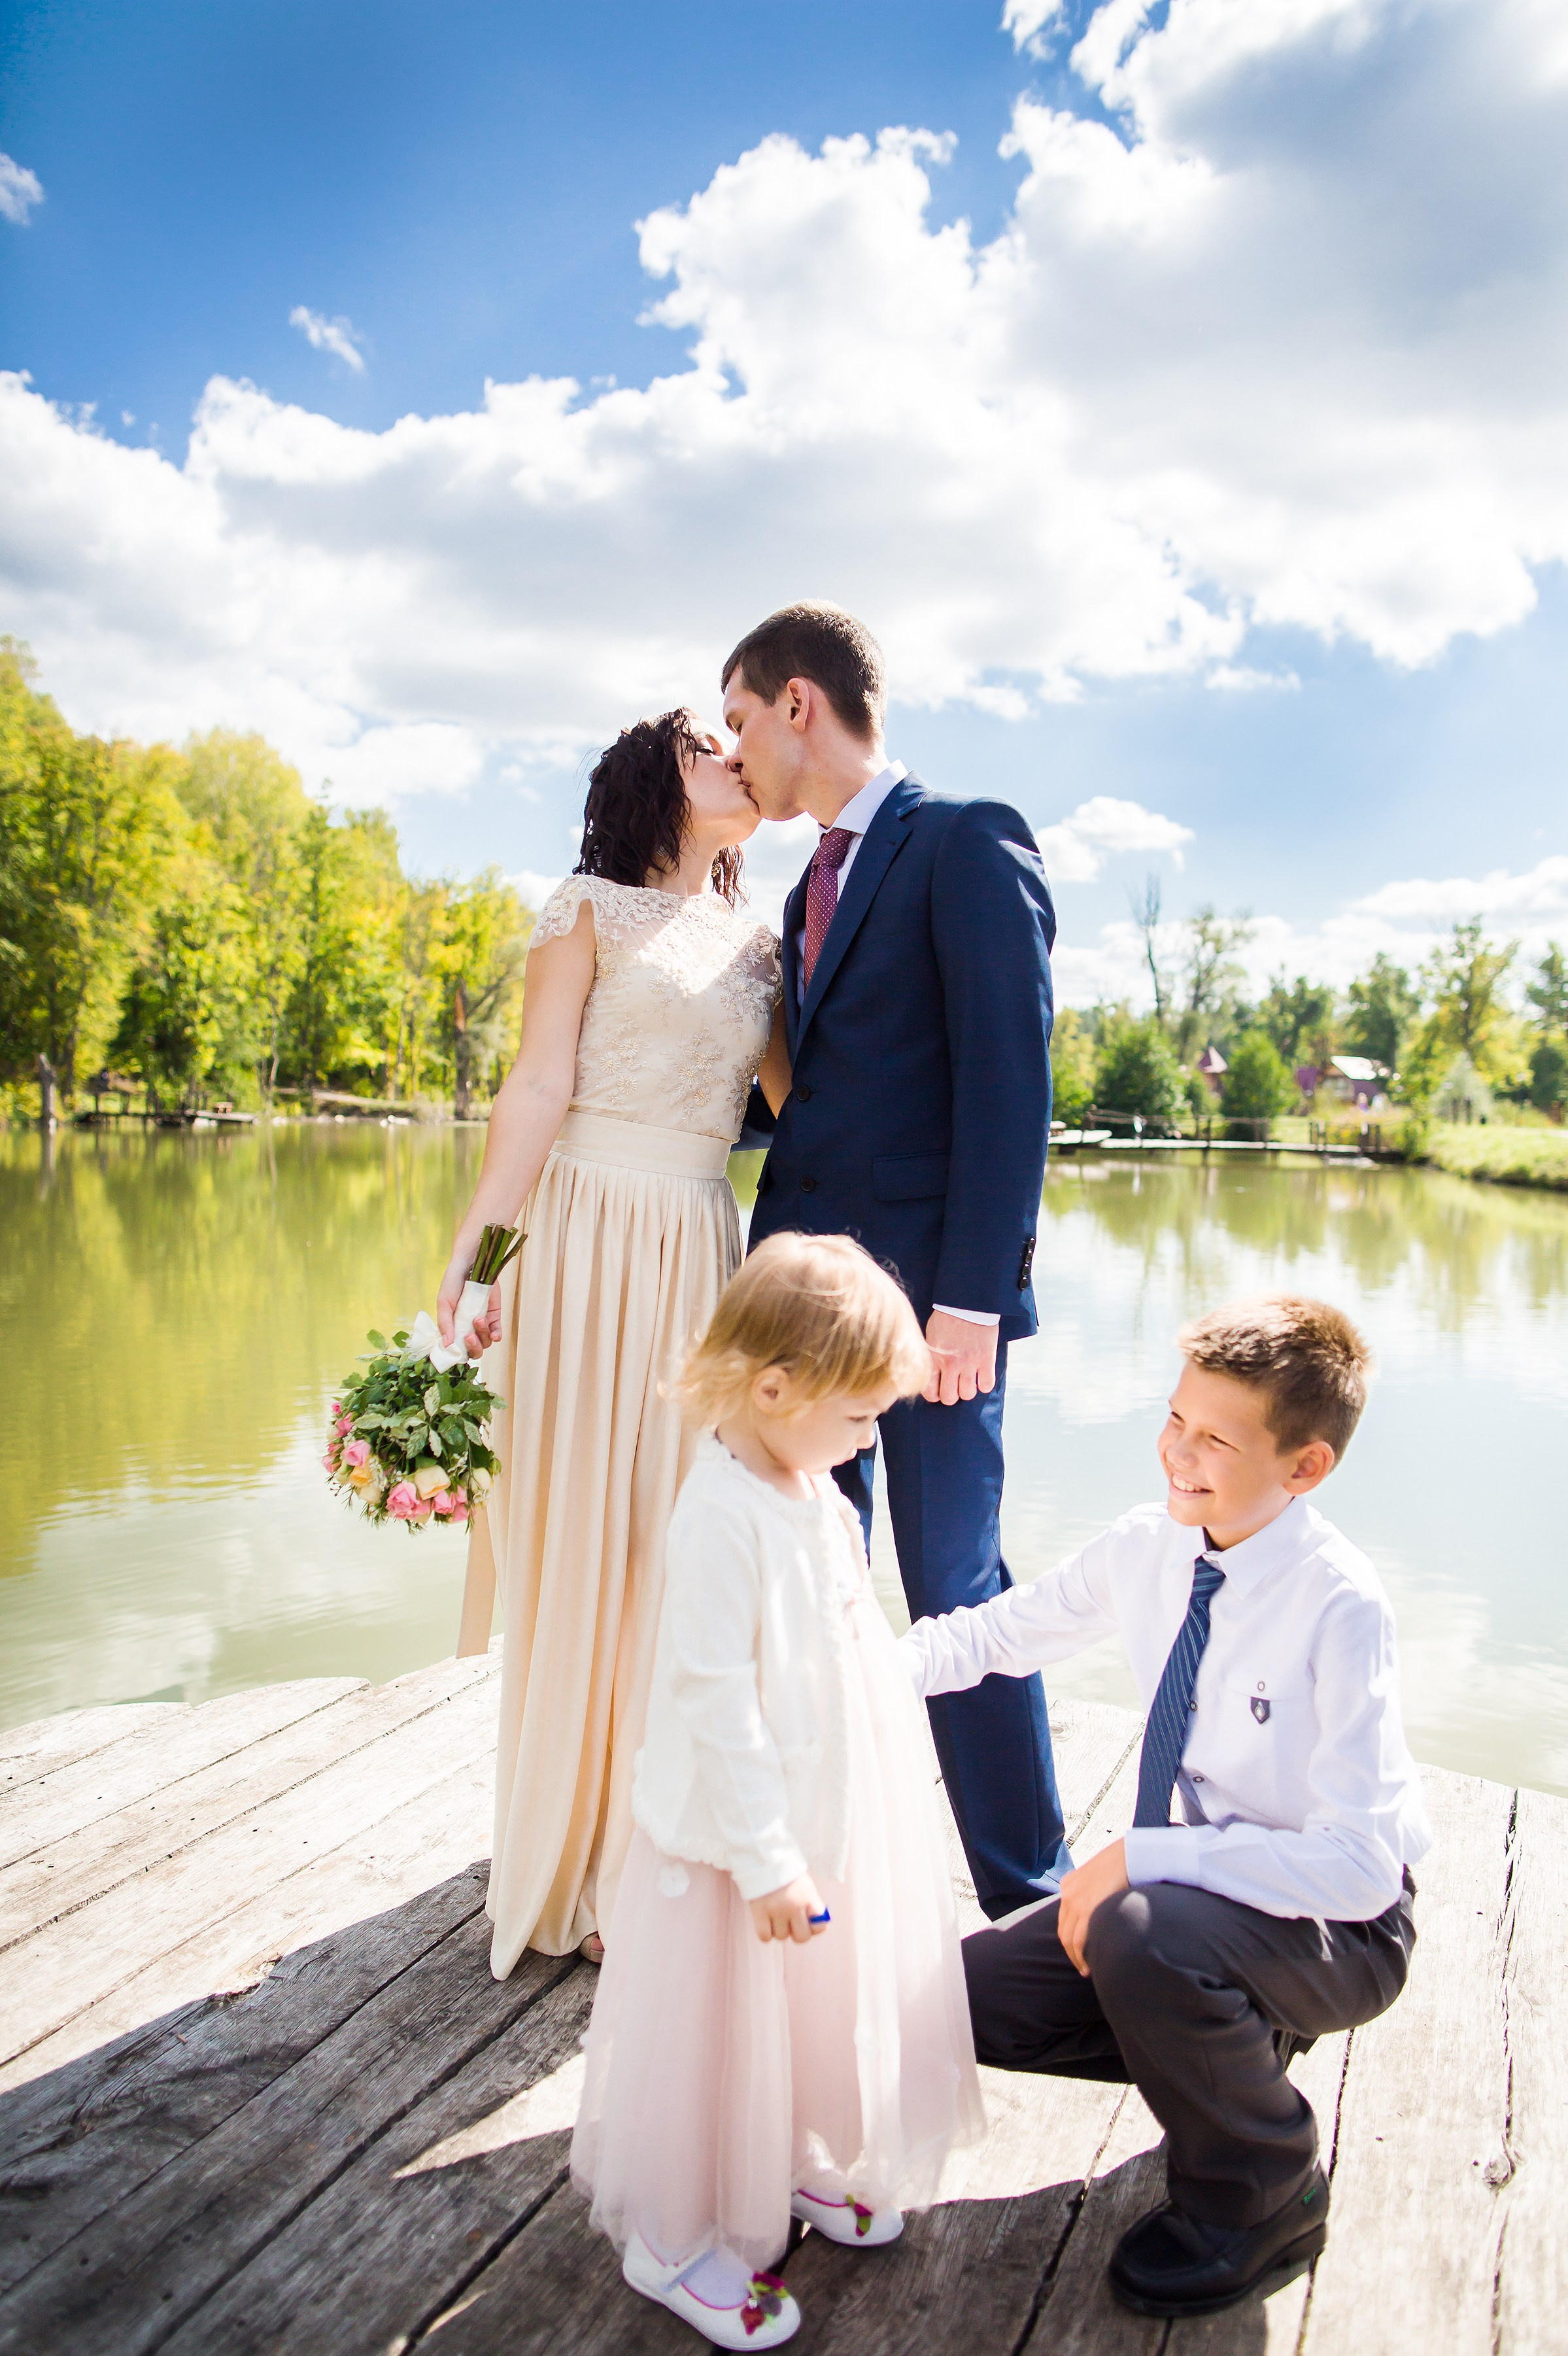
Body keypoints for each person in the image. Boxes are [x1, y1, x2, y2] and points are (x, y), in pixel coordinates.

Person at [902, 1294, 1433, 2320]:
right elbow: (990, 1637)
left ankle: (1264, 2190)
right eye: (1175, 1417)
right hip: (1202, 1909)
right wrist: (849, 1676)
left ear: (1304, 1466)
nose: (1176, 1450)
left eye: (1215, 1437)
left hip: (1340, 1927)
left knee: (1140, 1929)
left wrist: (1146, 1858)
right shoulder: (1149, 1543)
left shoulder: (1340, 1602)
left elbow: (1361, 1869)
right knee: (945, 2003)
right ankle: (1230, 2038)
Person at [572, 1234, 984, 2350]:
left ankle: (786, 2156)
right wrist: (765, 1858)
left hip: (812, 1806)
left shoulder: (812, 1481)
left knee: (801, 2014)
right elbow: (714, 1699)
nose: (871, 1438)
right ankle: (672, 2230)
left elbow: (846, 1634)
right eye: (858, 1417)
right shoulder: (720, 1514)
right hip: (730, 1844)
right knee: (714, 2031)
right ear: (772, 1387)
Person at [723, 602, 1072, 1919]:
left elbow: (1006, 1084)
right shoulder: (799, 885)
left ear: (797, 702)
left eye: (743, 718)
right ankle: (815, 1867)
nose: (737, 747)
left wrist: (971, 1299)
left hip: (931, 1315)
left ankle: (1025, 1902)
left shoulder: (962, 839)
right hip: (797, 1314)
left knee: (953, 1586)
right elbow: (814, 1096)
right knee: (801, 1574)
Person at [437, 710, 789, 1972]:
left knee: (674, 1544)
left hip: (701, 1247)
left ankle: (653, 1853)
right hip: (580, 1235)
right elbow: (535, 1089)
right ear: (658, 779)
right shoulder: (585, 908)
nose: (738, 762)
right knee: (579, 1534)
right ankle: (572, 1855)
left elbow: (806, 1116)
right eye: (710, 749)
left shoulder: (766, 939)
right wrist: (480, 1257)